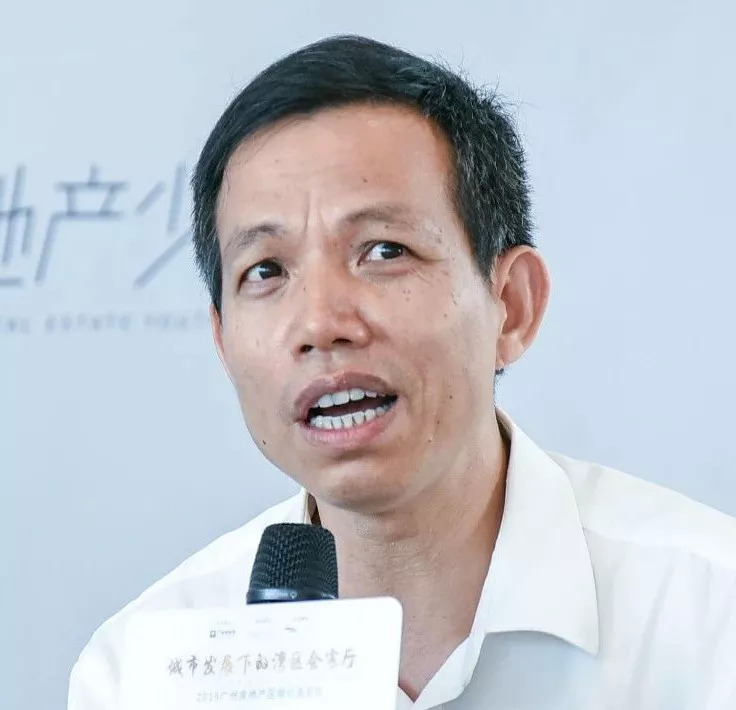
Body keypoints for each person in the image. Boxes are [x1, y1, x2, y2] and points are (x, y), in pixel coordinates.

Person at [68, 35, 736, 709]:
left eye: (384, 251)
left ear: (511, 305)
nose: (320, 323)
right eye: (265, 270)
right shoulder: (142, 673)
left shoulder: (710, 616)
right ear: (222, 341)